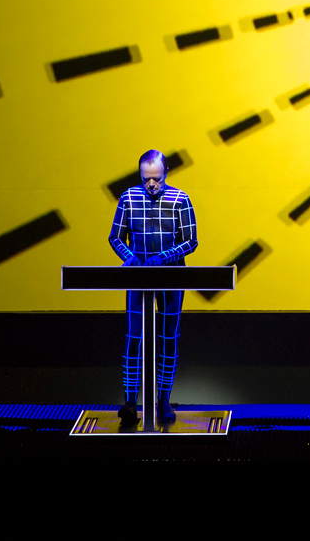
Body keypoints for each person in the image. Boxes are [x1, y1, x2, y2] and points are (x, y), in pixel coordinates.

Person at [108, 149, 198, 426]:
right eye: (146, 179)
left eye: (156, 179)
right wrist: (129, 257)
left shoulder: (180, 199)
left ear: (166, 174)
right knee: (133, 337)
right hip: (137, 278)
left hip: (171, 277)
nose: (151, 185)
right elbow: (115, 237)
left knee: (168, 338)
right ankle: (130, 401)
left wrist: (165, 258)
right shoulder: (128, 197)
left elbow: (191, 241)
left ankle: (163, 399)